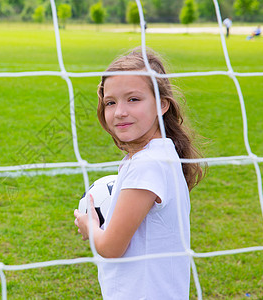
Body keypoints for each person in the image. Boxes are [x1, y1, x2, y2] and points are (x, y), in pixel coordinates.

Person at [74, 47, 205, 299]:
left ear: (162, 104)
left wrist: (90, 226)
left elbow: (111, 247)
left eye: (133, 99)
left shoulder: (147, 165)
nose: (120, 111)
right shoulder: (160, 155)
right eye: (111, 102)